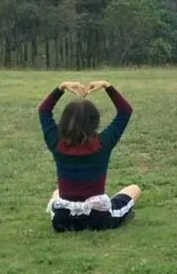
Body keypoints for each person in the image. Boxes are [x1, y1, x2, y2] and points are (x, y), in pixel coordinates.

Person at [38, 80, 141, 232]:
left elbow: (44, 111)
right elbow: (125, 111)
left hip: (62, 221)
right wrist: (107, 86)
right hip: (99, 219)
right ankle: (122, 214)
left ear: (64, 121)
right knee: (134, 189)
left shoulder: (56, 143)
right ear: (95, 122)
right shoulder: (102, 143)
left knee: (57, 192)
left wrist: (61, 87)